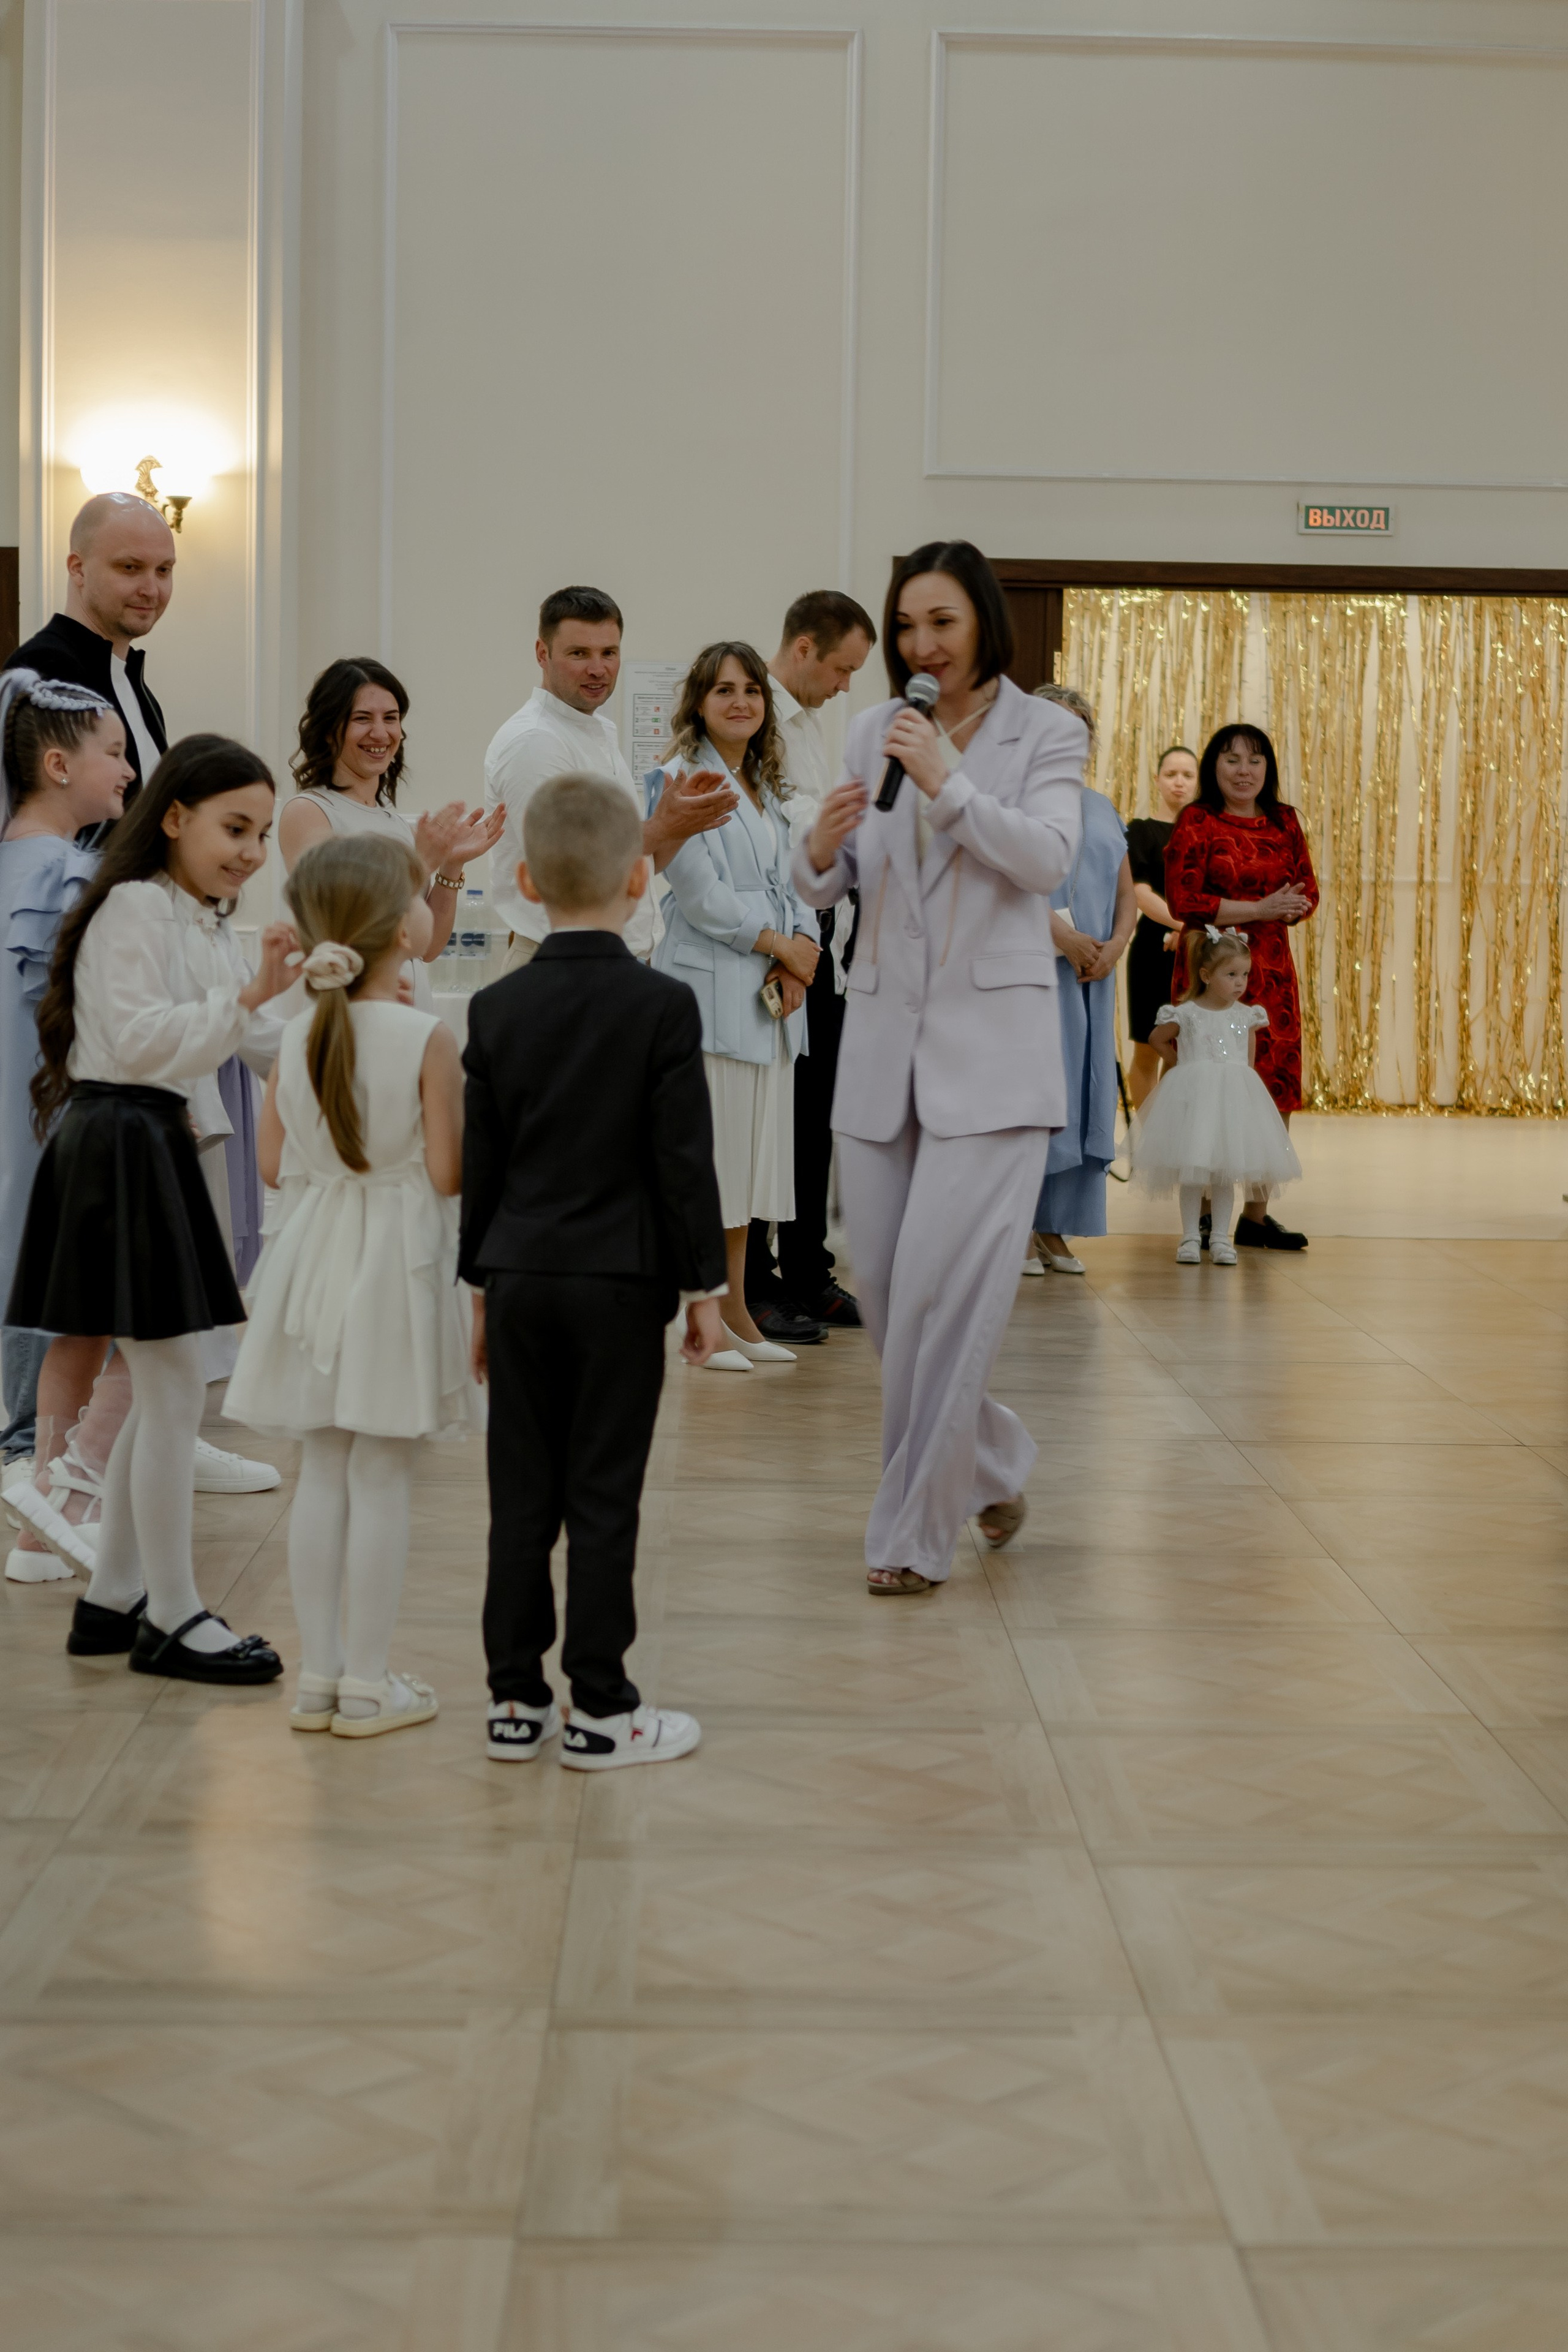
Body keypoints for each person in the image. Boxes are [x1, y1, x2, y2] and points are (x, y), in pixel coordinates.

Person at [793, 540, 1085, 1594]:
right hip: (880, 1048)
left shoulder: (1044, 733)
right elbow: (838, 880)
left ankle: (911, 1536)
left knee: (948, 1301)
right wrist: (818, 854)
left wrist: (949, 781)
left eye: (942, 625)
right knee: (889, 1299)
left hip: (994, 1060)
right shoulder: (871, 729)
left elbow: (1047, 860)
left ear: (983, 626)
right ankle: (991, 1462)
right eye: (908, 626)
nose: (922, 647)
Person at [9, 736, 296, 1679]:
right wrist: (248, 995)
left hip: (149, 1140)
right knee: (173, 1388)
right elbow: (137, 1039)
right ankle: (171, 1613)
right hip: (121, 1135)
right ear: (173, 818)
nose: (251, 851)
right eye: (234, 828)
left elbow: (257, 1038)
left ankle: (113, 1599)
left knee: (171, 1387)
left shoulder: (195, 915)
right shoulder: (131, 905)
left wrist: (355, 1023)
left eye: (260, 833)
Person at [461, 771, 725, 1769]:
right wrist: (705, 1290)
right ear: (640, 876)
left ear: (524, 880)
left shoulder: (497, 1011)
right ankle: (602, 1710)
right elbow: (681, 1160)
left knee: (521, 1490)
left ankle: (514, 1702)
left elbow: (482, 1169)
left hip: (519, 1275)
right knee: (605, 1493)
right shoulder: (663, 1006)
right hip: (623, 1283)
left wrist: (479, 1291)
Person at [224, 834, 478, 1736]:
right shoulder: (425, 1035)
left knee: (321, 1470)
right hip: (395, 1264)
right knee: (381, 1473)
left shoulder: (297, 1034)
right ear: (399, 928)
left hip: (313, 1258)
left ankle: (320, 1679)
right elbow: (448, 1174)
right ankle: (370, 1682)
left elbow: (269, 1162)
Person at [650, 643, 819, 1371]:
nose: (740, 702)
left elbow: (803, 881)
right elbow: (699, 895)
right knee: (711, 1159)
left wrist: (804, 953)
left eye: (751, 689)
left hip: (770, 992)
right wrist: (781, 946)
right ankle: (701, 1314)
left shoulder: (766, 784)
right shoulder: (674, 779)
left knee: (752, 1159)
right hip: (714, 982)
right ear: (698, 702)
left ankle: (740, 1308)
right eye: (723, 690)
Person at [0, 673, 132, 1577]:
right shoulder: (72, 878)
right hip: (53, 1127)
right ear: (57, 765)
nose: (129, 772)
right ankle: (45, 1496)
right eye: (116, 754)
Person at [744, 589, 876, 1343]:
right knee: (774, 1115)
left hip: (828, 940)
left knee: (816, 1114)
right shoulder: (754, 716)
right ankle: (758, 1281)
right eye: (841, 667)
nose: (846, 684)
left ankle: (806, 1268)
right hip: (774, 941)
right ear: (802, 650)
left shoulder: (815, 726)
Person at [483, 586, 738, 975]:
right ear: (542, 654)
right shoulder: (535, 742)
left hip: (612, 961)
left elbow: (638, 864)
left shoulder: (596, 729)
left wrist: (682, 827)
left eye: (609, 653)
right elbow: (574, 868)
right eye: (578, 653)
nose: (598, 669)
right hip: (557, 964)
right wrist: (662, 826)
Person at [1164, 725, 1319, 1248]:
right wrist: (1259, 908)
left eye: (1255, 760)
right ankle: (1205, 1212)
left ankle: (1255, 1213)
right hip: (1209, 968)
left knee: (1272, 1082)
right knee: (1210, 1080)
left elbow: (1308, 892)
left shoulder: (1284, 820)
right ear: (1214, 766)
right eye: (1232, 760)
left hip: (1270, 970)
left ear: (1268, 768)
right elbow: (1184, 901)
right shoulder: (1198, 820)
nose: (1244, 770)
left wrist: (1286, 908)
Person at [281, 658, 503, 1008]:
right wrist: (422, 862)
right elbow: (340, 918)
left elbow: (427, 949)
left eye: (391, 718)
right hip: (348, 1011)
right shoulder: (309, 811)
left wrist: (450, 867)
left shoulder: (395, 824)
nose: (381, 734)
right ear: (328, 729)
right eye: (362, 719)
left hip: (409, 1008)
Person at [1023, 687, 1136, 1275]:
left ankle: (1054, 1226)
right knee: (1038, 1092)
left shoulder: (1102, 806)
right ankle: (1016, 1228)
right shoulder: (1011, 804)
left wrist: (1115, 945)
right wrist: (1063, 940)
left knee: (1084, 1090)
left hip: (1094, 972)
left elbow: (1126, 894)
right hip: (1037, 971)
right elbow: (1003, 890)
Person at [1133, 925, 1302, 1262]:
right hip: (1199, 1101)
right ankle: (1190, 1237)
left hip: (1230, 1102)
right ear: (1206, 975)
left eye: (1245, 974)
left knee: (1226, 1172)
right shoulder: (1187, 1013)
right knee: (1193, 1172)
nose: (1241, 982)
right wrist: (1182, 1063)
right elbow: (1157, 1038)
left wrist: (1244, 1096)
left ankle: (1222, 1238)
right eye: (1231, 975)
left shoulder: (1247, 1016)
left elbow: (1247, 1065)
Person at [6, 493, 173, 791]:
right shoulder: (44, 670)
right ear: (78, 569)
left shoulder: (133, 680)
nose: (152, 590)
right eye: (130, 568)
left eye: (163, 570)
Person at [1125, 745, 1199, 1110]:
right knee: (1148, 1046)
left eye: (1188, 775)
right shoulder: (1140, 831)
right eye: (1171, 775)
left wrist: (1191, 932)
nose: (1179, 783)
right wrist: (1180, 924)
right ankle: (1147, 1145)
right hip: (1154, 948)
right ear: (1157, 780)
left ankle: (1173, 1141)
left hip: (1200, 950)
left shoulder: (1206, 833)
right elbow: (1140, 893)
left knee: (1187, 1050)